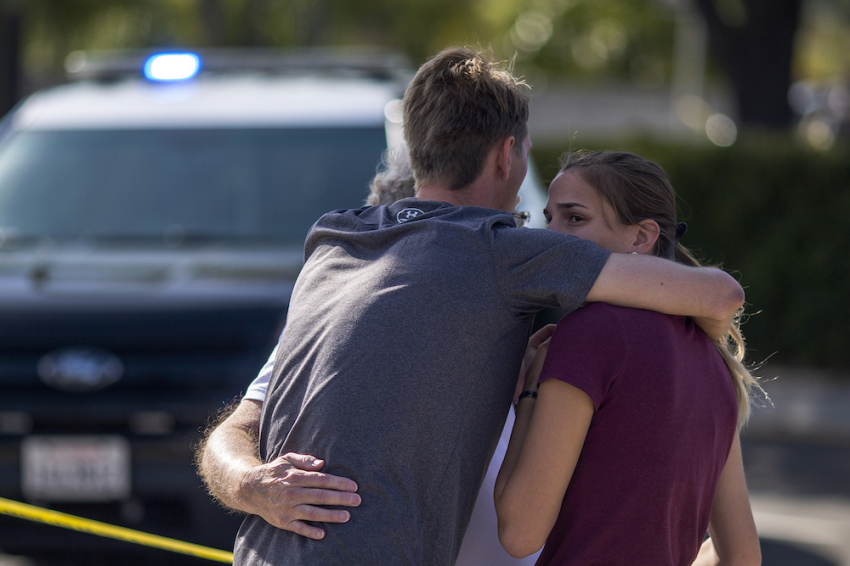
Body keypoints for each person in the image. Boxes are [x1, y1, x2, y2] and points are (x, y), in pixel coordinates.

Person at [200, 47, 745, 566]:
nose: (552, 231)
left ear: (415, 149)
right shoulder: (503, 251)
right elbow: (722, 295)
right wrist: (699, 347)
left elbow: (233, 432)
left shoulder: (333, 243)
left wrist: (252, 484)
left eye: (573, 218)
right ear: (507, 155)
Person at [494, 151, 762, 565]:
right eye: (549, 218)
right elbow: (743, 556)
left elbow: (520, 533)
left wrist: (530, 387)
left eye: (574, 218)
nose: (551, 236)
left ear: (641, 237)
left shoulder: (589, 334)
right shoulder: (716, 360)